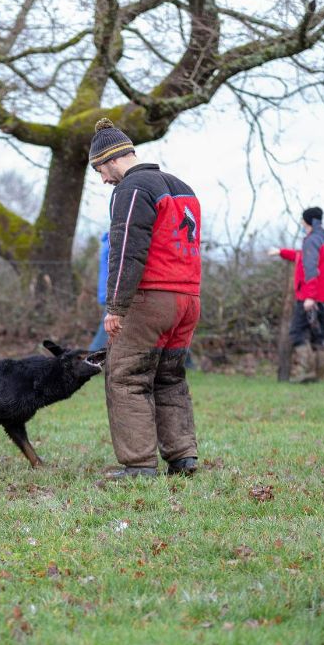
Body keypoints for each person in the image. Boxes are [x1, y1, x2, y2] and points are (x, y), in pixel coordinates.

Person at [89, 117, 201, 479]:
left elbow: (126, 251)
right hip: (188, 298)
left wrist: (115, 307)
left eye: (100, 169)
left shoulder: (133, 189)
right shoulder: (182, 187)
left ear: (112, 158)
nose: (103, 179)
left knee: (126, 376)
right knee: (169, 377)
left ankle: (138, 464)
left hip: (152, 298)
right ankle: (183, 458)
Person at [267, 207, 324, 383]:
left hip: (312, 297)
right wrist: (281, 252)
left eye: (302, 220)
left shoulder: (312, 240)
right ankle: (318, 376)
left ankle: (306, 372)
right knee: (319, 335)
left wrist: (309, 297)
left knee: (297, 332)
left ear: (307, 221)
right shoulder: (320, 239)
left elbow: (311, 269)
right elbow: (301, 257)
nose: (301, 223)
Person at [89, 231, 110, 351]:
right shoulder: (113, 243)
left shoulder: (107, 242)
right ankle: (90, 358)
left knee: (107, 328)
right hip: (111, 292)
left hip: (106, 291)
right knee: (105, 330)